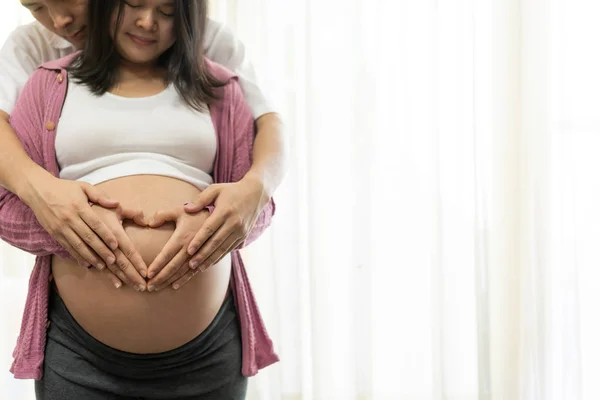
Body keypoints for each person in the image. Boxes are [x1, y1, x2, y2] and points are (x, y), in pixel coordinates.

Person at [0, 0, 279, 398]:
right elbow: (4, 204)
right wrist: (76, 232)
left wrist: (214, 232)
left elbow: (256, 202)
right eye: (133, 4)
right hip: (80, 357)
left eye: (166, 11)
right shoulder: (45, 82)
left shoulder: (221, 86)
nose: (148, 22)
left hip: (208, 357)